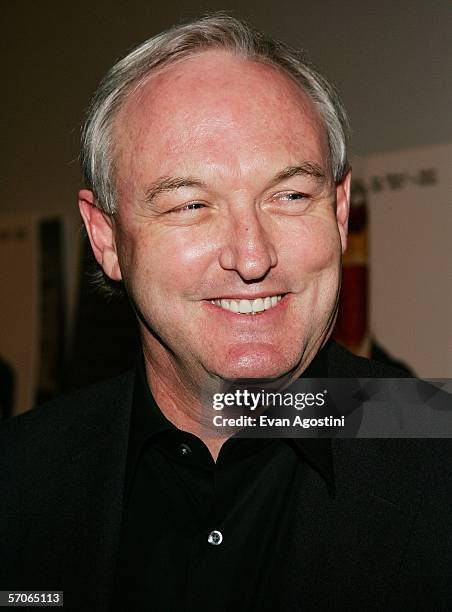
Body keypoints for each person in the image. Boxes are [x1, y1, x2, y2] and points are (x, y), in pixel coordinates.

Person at [0, 13, 450, 611]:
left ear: (341, 212)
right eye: (190, 204)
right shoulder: (19, 476)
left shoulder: (439, 454)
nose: (252, 255)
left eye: (289, 195)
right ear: (106, 237)